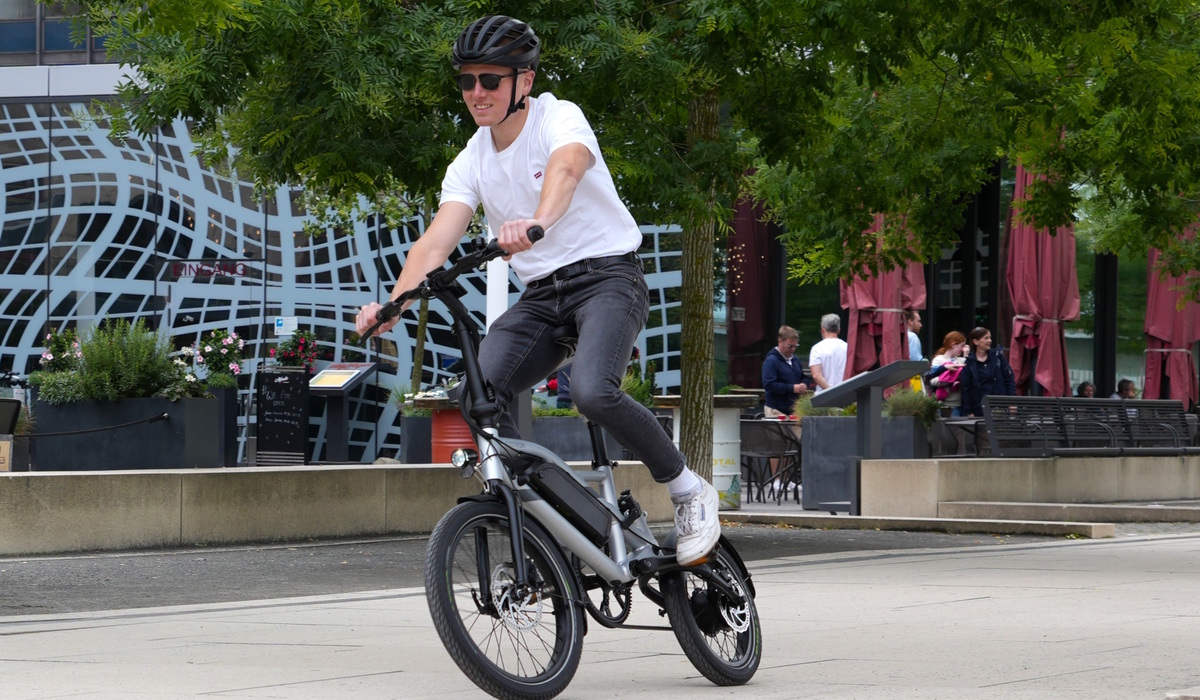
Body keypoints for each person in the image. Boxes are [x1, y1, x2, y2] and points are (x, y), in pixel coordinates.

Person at [355, 16, 717, 566]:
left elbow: (566, 170)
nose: (476, 92)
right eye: (467, 80)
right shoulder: (471, 159)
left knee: (593, 391)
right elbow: (433, 244)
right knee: (477, 397)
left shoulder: (558, 116)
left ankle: (689, 490)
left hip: (608, 278)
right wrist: (393, 306)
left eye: (490, 80)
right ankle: (560, 512)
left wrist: (537, 222)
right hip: (544, 297)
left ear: (522, 81)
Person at [960, 327, 1017, 417]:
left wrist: (1012, 401)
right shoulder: (969, 363)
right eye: (986, 338)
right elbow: (965, 389)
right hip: (979, 409)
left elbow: (1010, 379)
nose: (990, 340)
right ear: (976, 342)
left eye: (990, 337)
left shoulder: (997, 357)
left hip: (1000, 407)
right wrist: (968, 411)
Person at [761, 325, 809, 418]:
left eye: (796, 346)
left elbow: (803, 377)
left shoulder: (795, 360)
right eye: (790, 346)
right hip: (775, 409)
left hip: (792, 410)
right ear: (780, 341)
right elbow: (769, 385)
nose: (793, 349)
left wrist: (804, 384)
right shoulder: (771, 360)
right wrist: (792, 388)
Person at [928, 330, 969, 416]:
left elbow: (969, 377)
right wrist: (952, 378)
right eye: (962, 346)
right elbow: (933, 381)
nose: (962, 349)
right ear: (953, 345)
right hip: (944, 404)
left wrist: (967, 356)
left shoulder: (961, 360)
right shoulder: (939, 359)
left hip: (960, 404)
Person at [809, 313, 848, 394]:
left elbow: (816, 375)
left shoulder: (817, 348)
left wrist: (832, 393)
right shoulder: (848, 348)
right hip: (846, 394)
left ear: (823, 329)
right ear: (838, 330)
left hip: (823, 396)